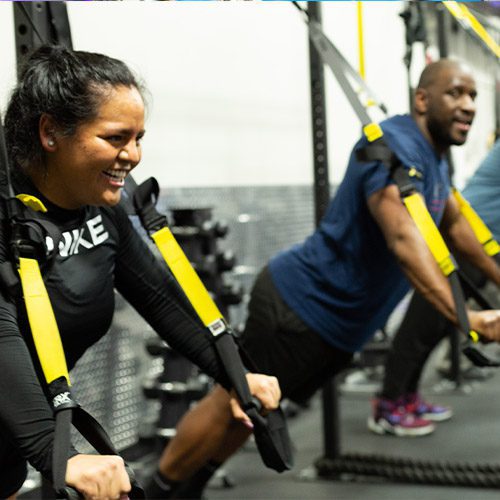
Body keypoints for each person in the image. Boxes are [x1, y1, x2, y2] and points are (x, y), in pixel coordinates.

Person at [144, 58, 500, 499]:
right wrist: (472, 319)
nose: (467, 105)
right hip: (299, 306)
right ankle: (156, 490)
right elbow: (406, 240)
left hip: (335, 328)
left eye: (473, 96)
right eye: (455, 93)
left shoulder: (435, 158)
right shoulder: (393, 145)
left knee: (253, 411)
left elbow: (459, 228)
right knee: (231, 404)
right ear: (422, 99)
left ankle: (188, 487)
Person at [0, 45, 281, 500]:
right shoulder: (6, 215)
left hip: (11, 437)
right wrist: (60, 452)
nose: (132, 155)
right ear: (51, 133)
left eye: (138, 138)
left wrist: (233, 372)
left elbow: (158, 295)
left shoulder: (100, 208)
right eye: (115, 138)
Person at [372, 138, 500, 437]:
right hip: (461, 244)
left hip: (483, 251)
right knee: (421, 327)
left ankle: (409, 397)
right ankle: (388, 405)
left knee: (440, 327)